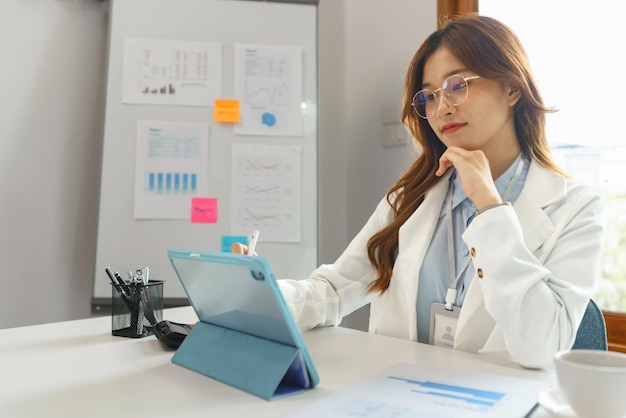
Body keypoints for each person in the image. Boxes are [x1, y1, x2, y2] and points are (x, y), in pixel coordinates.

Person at [233, 15, 605, 369]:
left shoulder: (575, 209)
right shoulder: (411, 197)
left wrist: (489, 207)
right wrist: (260, 297)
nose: (441, 108)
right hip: (398, 394)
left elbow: (543, 345)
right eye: (428, 96)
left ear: (512, 88)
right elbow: (334, 289)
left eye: (457, 86)